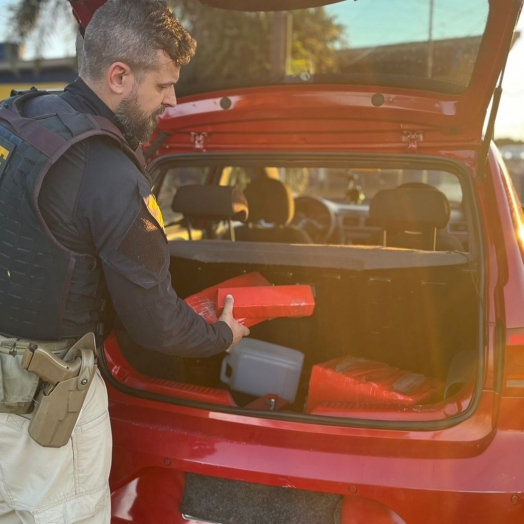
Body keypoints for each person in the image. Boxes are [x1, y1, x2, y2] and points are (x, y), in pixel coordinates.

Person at [0, 0, 249, 522]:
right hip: (44, 410)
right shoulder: (111, 176)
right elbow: (155, 323)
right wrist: (222, 335)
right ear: (119, 76)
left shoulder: (22, 119)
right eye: (163, 86)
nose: (173, 100)